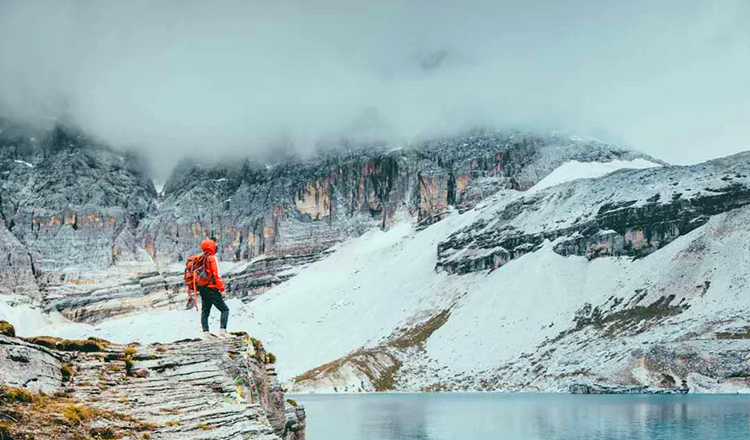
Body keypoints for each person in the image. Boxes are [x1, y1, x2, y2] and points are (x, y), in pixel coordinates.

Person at [198, 238, 230, 339]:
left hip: (202, 288)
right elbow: (216, 274)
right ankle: (223, 331)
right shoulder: (212, 258)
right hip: (211, 288)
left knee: (205, 311)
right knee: (225, 309)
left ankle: (206, 333)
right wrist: (221, 288)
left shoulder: (200, 258)